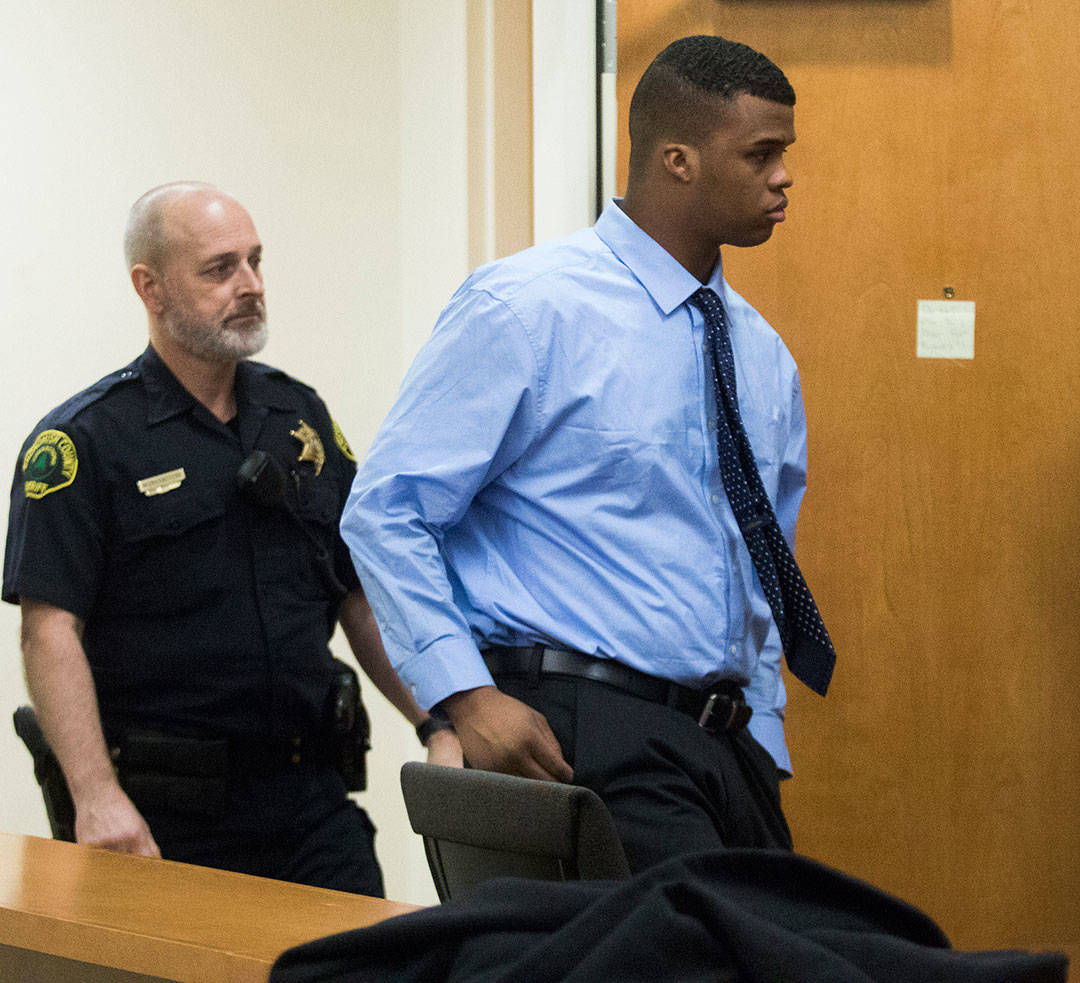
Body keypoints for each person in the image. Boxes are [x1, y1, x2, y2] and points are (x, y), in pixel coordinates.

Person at [341, 35, 837, 873]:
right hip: (577, 725)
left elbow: (759, 563)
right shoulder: (528, 309)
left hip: (723, 748)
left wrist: (763, 738)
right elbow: (387, 512)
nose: (784, 176)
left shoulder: (762, 355)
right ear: (677, 159)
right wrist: (463, 697)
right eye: (761, 154)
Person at [3, 182, 461, 897]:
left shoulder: (297, 417)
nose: (249, 286)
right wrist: (94, 794)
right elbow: (48, 630)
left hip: (310, 800)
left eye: (255, 261)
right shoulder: (84, 442)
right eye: (220, 268)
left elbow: (359, 595)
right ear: (149, 288)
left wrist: (436, 716)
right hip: (166, 814)